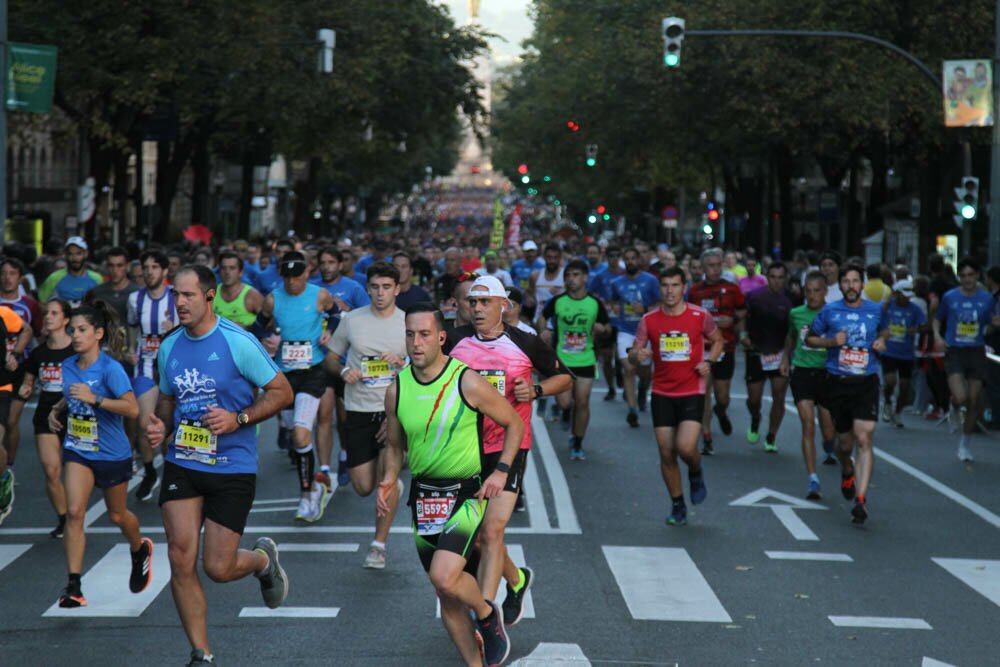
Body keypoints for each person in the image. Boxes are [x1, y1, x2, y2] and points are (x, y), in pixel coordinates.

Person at [146, 265, 293, 665]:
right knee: (179, 556)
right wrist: (161, 424)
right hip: (184, 461)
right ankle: (201, 653)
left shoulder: (237, 342)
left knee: (218, 567)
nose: (179, 302)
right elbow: (168, 398)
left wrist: (238, 419)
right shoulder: (170, 345)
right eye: (176, 294)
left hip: (232, 464)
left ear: (210, 297)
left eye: (188, 295)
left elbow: (282, 392)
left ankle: (263, 562)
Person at [380, 303, 523, 667]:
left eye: (425, 334)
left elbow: (514, 424)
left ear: (441, 337)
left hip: (464, 495)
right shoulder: (398, 388)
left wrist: (501, 471)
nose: (416, 342)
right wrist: (387, 480)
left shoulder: (466, 380)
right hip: (423, 499)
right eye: (410, 335)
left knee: (444, 577)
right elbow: (395, 446)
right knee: (446, 597)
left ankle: (488, 616)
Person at [445, 275, 572, 626]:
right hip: (463, 449)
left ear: (505, 306)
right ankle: (516, 580)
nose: (478, 308)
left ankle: (485, 616)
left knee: (491, 532)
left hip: (509, 445)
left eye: (486, 302)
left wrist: (536, 390)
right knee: (474, 539)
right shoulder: (453, 341)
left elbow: (565, 378)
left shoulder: (525, 342)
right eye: (473, 302)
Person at [45, 299, 152, 608]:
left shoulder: (110, 369)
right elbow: (72, 394)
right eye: (72, 329)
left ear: (98, 333)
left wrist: (97, 399)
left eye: (82, 330)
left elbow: (131, 408)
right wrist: (57, 408)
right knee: (75, 513)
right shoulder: (67, 366)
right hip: (79, 448)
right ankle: (74, 586)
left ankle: (138, 548)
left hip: (111, 452)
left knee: (118, 514)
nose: (75, 335)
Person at [324, 261, 407, 569]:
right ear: (367, 288)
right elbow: (331, 358)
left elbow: (425, 366)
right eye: (375, 287)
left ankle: (378, 545)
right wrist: (345, 370)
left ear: (397, 289)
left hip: (394, 410)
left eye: (387, 287)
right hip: (358, 408)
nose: (380, 293)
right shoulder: (351, 320)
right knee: (362, 486)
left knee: (387, 479)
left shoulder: (406, 322)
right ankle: (390, 484)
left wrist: (402, 360)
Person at [630, 267, 723, 526]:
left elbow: (718, 340)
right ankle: (678, 502)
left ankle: (695, 471)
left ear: (684, 287)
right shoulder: (649, 320)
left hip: (692, 389)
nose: (670, 291)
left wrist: (710, 361)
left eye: (675, 285)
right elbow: (634, 351)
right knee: (666, 451)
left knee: (685, 447)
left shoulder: (699, 316)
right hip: (661, 391)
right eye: (665, 286)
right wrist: (638, 355)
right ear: (660, 289)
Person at [806, 265, 888, 524]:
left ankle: (861, 501)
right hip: (838, 382)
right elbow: (809, 338)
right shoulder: (830, 311)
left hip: (866, 381)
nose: (851, 286)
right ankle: (847, 469)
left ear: (862, 284)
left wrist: (881, 341)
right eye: (846, 282)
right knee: (845, 444)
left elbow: (884, 329)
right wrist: (832, 342)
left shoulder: (875, 309)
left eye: (855, 281)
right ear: (840, 286)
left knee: (864, 438)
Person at [260, 251, 335, 521]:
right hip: (284, 376)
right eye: (287, 277)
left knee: (302, 434)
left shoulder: (319, 295)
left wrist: (330, 332)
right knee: (295, 437)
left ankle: (307, 496)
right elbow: (260, 325)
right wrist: (268, 338)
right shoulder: (273, 299)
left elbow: (336, 315)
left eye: (297, 276)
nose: (292, 282)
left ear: (307, 273)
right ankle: (313, 484)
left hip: (312, 372)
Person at [539, 260, 610, 459]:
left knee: (583, 402)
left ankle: (577, 442)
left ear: (585, 278)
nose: (571, 279)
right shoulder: (558, 301)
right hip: (562, 359)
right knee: (564, 402)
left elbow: (607, 327)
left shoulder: (595, 303)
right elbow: (543, 317)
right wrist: (544, 330)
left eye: (576, 275)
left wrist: (602, 329)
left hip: (586, 359)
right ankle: (565, 411)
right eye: (568, 276)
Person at [314, 246, 371, 487]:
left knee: (344, 417)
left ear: (340, 264)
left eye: (331, 262)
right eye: (323, 262)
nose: (326, 267)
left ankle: (345, 454)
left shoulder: (353, 288)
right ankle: (324, 469)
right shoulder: (313, 288)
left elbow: (368, 316)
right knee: (323, 415)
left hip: (346, 361)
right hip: (320, 358)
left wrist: (345, 311)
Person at [19, 298, 75, 537]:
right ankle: (64, 518)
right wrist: (25, 388)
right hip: (44, 413)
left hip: (74, 413)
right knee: (51, 469)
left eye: (54, 313)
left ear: (65, 319)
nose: (49, 317)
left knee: (75, 470)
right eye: (47, 313)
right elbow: (28, 381)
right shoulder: (39, 353)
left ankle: (76, 512)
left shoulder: (76, 350)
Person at [780, 272, 838, 499]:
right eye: (809, 291)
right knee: (807, 425)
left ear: (825, 291)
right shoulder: (796, 313)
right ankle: (812, 478)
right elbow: (791, 337)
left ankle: (829, 445)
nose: (812, 295)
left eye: (817, 290)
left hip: (826, 372)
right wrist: (786, 358)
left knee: (828, 428)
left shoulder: (833, 312)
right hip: (803, 371)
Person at [127, 250, 178, 502]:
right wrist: (129, 348)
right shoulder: (135, 299)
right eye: (145, 267)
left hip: (173, 367)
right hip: (146, 366)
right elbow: (132, 328)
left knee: (171, 427)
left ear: (165, 271)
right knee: (145, 424)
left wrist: (175, 331)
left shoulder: (177, 298)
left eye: (154, 267)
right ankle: (149, 472)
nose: (149, 272)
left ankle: (174, 474)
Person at [933, 257, 995, 461]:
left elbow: (991, 321)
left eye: (971, 275)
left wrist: (995, 323)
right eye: (963, 276)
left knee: (974, 401)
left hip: (976, 351)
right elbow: (937, 318)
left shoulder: (986, 299)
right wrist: (938, 337)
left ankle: (964, 445)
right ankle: (953, 405)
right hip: (956, 351)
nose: (967, 279)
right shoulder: (950, 297)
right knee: (961, 397)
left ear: (977, 276)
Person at [687, 248, 746, 443]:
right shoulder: (694, 291)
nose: (715, 269)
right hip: (703, 348)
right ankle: (706, 433)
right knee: (704, 392)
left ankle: (720, 412)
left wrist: (734, 320)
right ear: (703, 268)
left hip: (726, 347)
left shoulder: (732, 288)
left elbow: (743, 311)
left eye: (718, 265)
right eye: (711, 266)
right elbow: (686, 315)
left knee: (723, 398)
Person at [740, 261, 793, 452]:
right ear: (767, 278)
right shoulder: (754, 297)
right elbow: (742, 318)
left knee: (779, 395)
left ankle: (771, 436)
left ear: (785, 279)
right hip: (757, 351)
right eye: (773, 277)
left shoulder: (792, 299)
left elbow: (793, 331)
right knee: (754, 399)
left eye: (781, 277)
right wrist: (743, 335)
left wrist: (787, 355)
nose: (777, 281)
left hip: (780, 353)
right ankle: (755, 417)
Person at [609, 247, 661, 427]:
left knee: (644, 371)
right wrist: (615, 307)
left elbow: (661, 304)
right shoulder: (617, 282)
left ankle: (643, 388)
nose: (630, 262)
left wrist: (645, 310)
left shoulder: (651, 280)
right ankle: (632, 409)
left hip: (646, 332)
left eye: (633, 258)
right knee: (629, 368)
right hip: (625, 330)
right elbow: (613, 300)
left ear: (639, 260)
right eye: (627, 259)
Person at [0, 257, 38, 472]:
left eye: (12, 273)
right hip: (1, 370)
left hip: (20, 368)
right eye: (3, 273)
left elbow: (35, 331)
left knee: (12, 422)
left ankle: (9, 466)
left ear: (20, 278)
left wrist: (17, 354)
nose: (7, 278)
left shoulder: (30, 305)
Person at [880, 279, 927, 427]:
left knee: (905, 386)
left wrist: (917, 330)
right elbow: (877, 321)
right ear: (896, 294)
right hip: (889, 351)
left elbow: (925, 326)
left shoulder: (914, 309)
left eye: (908, 295)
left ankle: (898, 413)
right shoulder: (888, 307)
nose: (906, 298)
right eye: (903, 295)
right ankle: (887, 402)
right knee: (890, 381)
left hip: (906, 353)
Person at [38, 237, 105, 305]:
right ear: (66, 255)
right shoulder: (54, 278)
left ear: (86, 254)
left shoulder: (97, 279)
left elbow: (103, 304)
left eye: (78, 253)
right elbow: (41, 303)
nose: (74, 258)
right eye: (70, 254)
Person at [88, 247, 138, 327]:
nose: (115, 270)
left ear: (128, 267)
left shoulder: (138, 293)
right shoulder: (96, 293)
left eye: (119, 265)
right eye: (111, 266)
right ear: (107, 267)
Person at [213, 252, 263, 330]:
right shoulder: (212, 294)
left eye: (232, 268)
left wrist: (245, 329)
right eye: (223, 268)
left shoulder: (252, 295)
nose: (227, 272)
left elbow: (267, 324)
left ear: (240, 272)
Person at [529, 243, 565, 313]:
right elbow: (529, 293)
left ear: (560, 258)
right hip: (538, 320)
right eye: (549, 257)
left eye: (555, 257)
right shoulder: (535, 276)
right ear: (544, 257)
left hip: (559, 320)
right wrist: (529, 298)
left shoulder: (566, 276)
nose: (552, 261)